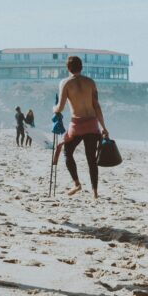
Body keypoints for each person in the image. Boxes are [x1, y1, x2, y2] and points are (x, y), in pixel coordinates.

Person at [53, 56, 109, 199]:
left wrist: (54, 109)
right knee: (91, 160)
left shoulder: (65, 83)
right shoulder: (90, 82)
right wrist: (103, 127)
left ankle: (77, 183)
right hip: (91, 124)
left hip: (77, 126)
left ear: (68, 68)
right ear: (81, 67)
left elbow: (60, 107)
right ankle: (95, 193)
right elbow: (97, 106)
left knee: (68, 153)